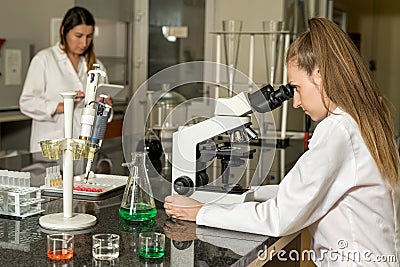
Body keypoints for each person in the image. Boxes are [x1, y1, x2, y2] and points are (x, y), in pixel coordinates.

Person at [164, 18, 400, 266]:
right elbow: (311, 191)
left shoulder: (337, 129)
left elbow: (280, 217)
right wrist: (251, 195)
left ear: (320, 75)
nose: (296, 102)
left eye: (297, 88)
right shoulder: (366, 119)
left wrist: (201, 213)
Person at [20, 6, 112, 173]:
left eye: (89, 37)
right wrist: (63, 106)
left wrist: (105, 106)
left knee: (81, 195)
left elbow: (103, 115)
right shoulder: (44, 60)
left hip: (84, 150)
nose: (84, 43)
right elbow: (26, 102)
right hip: (49, 153)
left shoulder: (96, 66)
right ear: (63, 31)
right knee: (55, 196)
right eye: (78, 36)